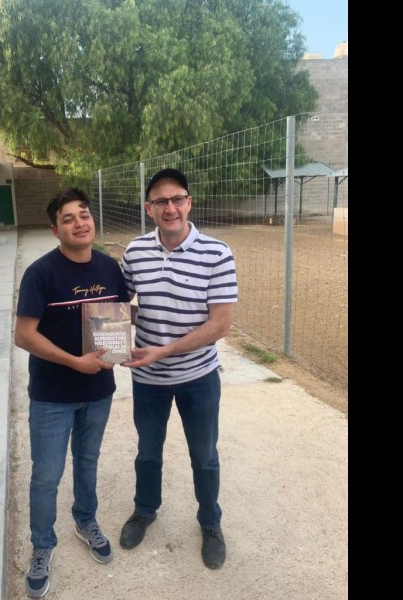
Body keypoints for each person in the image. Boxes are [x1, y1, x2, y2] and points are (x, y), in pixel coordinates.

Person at [119, 168, 238, 570]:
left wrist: (164, 350)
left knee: (204, 455)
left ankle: (210, 523)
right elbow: (121, 306)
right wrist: (106, 329)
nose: (170, 208)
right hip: (147, 379)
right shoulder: (135, 252)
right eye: (161, 201)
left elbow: (220, 324)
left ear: (189, 203)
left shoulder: (217, 253)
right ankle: (145, 510)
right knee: (148, 451)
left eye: (177, 199)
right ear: (148, 208)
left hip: (198, 378)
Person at [14, 187, 130, 598]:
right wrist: (74, 361)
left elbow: (118, 317)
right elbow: (24, 335)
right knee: (46, 475)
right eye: (68, 218)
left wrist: (120, 350)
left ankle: (85, 519)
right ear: (55, 230)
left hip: (98, 389)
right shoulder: (41, 273)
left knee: (87, 461)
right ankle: (42, 545)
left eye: (84, 215)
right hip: (51, 394)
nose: (79, 223)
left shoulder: (110, 268)